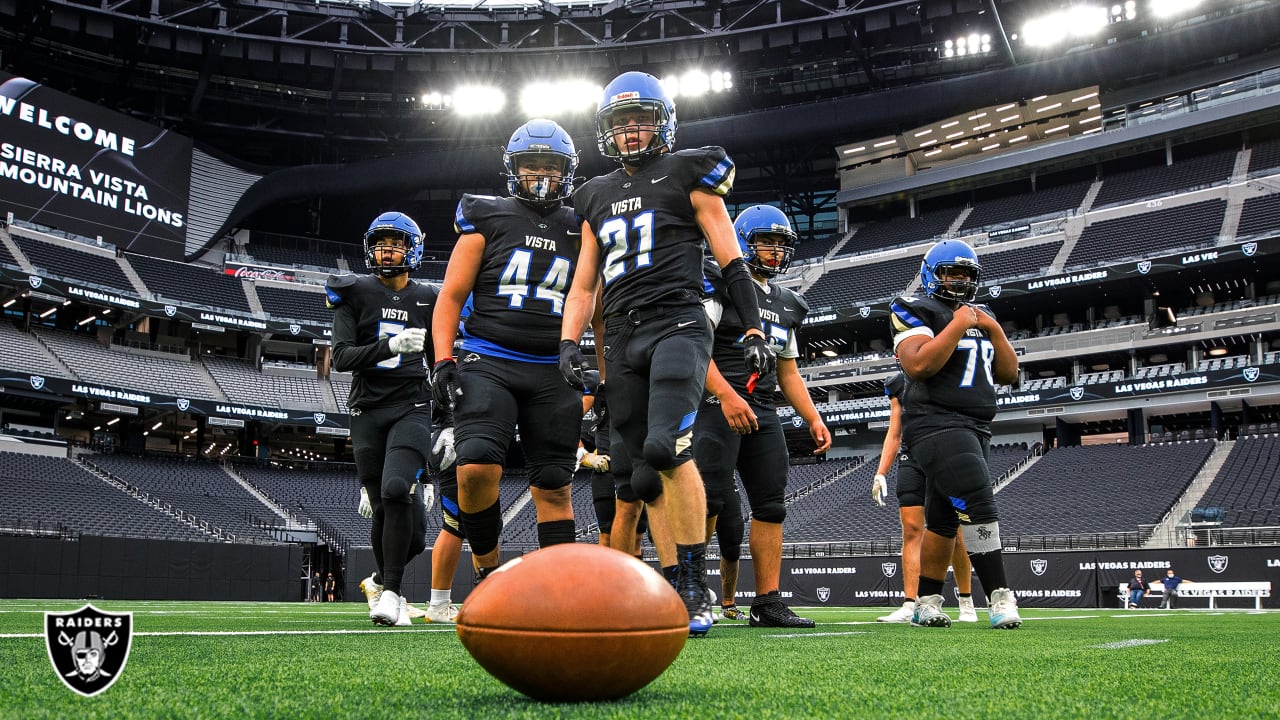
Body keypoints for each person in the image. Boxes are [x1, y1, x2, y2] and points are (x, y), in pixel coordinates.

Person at [558, 71, 775, 637]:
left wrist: (753, 328)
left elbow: (731, 259)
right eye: (620, 123)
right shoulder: (594, 194)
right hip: (621, 334)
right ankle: (674, 580)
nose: (631, 132)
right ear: (606, 132)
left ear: (663, 124)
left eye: (642, 120)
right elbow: (584, 285)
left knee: (666, 444)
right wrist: (568, 342)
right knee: (646, 471)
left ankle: (695, 584)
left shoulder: (688, 171)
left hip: (678, 319)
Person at [431, 118, 583, 580]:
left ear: (567, 171)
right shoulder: (487, 214)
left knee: (554, 485)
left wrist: (601, 363)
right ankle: (488, 569)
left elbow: (591, 298)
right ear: (512, 169)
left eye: (551, 167)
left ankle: (558, 592)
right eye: (530, 165)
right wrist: (442, 360)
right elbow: (451, 296)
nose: (541, 175)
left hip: (551, 367)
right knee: (474, 468)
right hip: (489, 357)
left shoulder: (581, 225)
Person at [694, 204, 831, 628]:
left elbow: (787, 370)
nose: (774, 251)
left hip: (764, 409)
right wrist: (727, 396)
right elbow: (696, 346)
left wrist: (812, 417)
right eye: (765, 241)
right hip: (718, 403)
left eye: (780, 243)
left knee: (771, 505)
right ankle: (693, 591)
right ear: (742, 244)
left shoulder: (789, 302)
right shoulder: (719, 280)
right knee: (709, 501)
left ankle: (767, 601)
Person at [889, 239, 1022, 629]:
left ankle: (927, 602)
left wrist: (994, 329)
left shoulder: (983, 315)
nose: (959, 281)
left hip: (977, 424)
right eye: (951, 272)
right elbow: (917, 365)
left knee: (943, 521)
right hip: (935, 421)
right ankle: (999, 596)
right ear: (934, 274)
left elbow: (1008, 374)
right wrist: (961, 323)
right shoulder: (911, 308)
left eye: (966, 274)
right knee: (979, 502)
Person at [328, 210, 441, 627]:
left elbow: (441, 363)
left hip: (411, 404)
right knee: (395, 518)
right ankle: (382, 582)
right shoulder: (354, 291)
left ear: (413, 249)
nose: (387, 251)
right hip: (367, 409)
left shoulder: (429, 297)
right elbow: (341, 358)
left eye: (395, 244)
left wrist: (427, 471)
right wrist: (391, 344)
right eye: (381, 243)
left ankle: (390, 593)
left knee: (397, 490)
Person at [873, 371, 978, 623]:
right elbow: (895, 431)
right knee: (911, 530)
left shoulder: (947, 371)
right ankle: (912, 602)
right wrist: (880, 473)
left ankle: (966, 601)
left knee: (957, 532)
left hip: (946, 453)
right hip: (913, 457)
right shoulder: (898, 383)